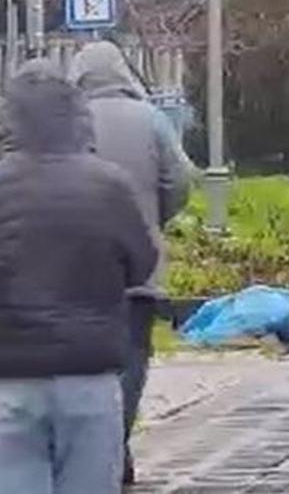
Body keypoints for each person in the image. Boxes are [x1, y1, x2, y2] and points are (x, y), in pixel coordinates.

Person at [0, 61, 158, 494]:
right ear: (77, 116)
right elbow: (142, 264)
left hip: (10, 375)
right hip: (89, 373)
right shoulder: (109, 185)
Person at [67, 40, 192, 486]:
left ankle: (96, 448)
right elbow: (180, 180)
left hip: (79, 268)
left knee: (88, 359)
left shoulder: (71, 122)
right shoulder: (151, 119)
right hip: (139, 264)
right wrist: (155, 216)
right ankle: (116, 443)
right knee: (133, 355)